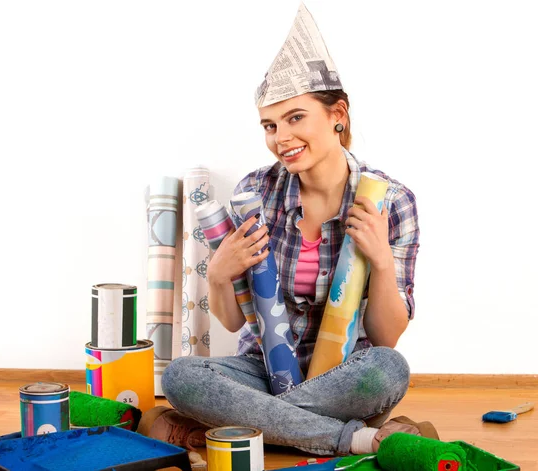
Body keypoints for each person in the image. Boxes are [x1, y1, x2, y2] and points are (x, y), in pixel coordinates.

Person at [138, 3, 437, 457]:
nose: (281, 137)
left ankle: (229, 428)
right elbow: (235, 320)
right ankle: (358, 438)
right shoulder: (256, 191)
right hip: (260, 368)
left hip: (345, 378)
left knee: (389, 368)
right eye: (270, 125)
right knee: (181, 376)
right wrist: (218, 273)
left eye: (295, 117)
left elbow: (387, 335)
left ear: (338, 114)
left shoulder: (391, 201)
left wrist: (378, 256)